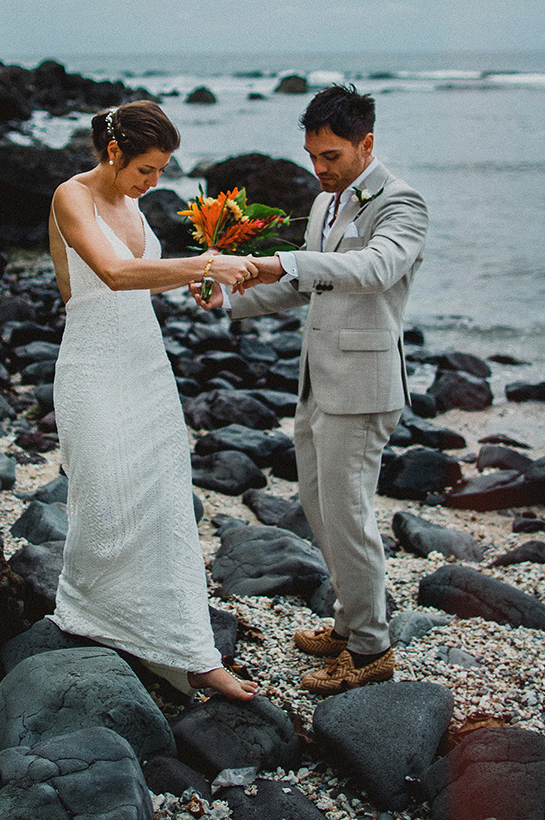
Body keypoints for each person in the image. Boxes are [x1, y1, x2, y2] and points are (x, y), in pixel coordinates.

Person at [193, 85, 427, 693]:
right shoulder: (326, 203)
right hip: (316, 379)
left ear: (365, 144)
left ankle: (372, 648)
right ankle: (349, 624)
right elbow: (305, 284)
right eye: (312, 156)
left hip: (364, 387)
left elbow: (374, 269)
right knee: (322, 511)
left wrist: (283, 260)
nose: (319, 168)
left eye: (331, 156)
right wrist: (230, 296)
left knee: (349, 517)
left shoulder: (402, 203)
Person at [47, 99, 259, 700]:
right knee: (102, 499)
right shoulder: (71, 197)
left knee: (163, 504)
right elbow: (112, 275)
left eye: (162, 170)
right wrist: (207, 262)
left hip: (145, 364)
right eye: (147, 169)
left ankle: (190, 651)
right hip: (92, 366)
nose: (155, 182)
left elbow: (142, 281)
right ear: (114, 152)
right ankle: (96, 618)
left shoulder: (134, 201)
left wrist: (194, 279)